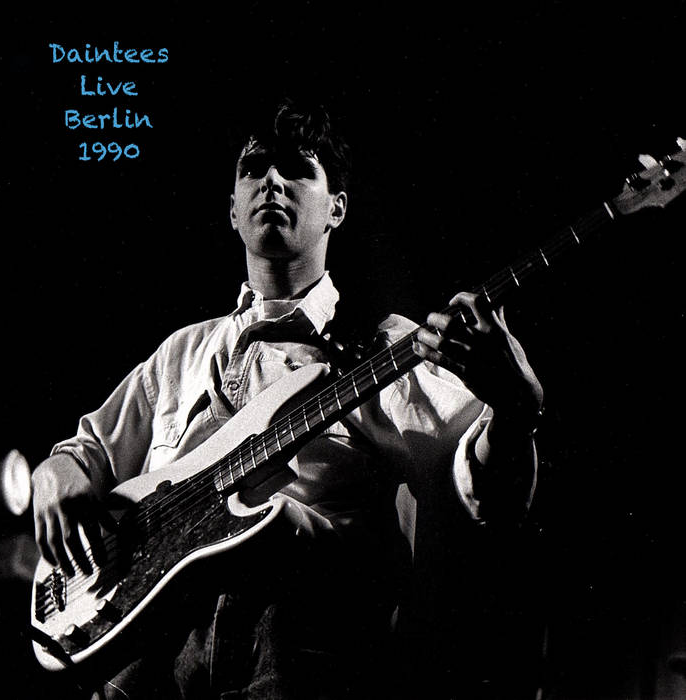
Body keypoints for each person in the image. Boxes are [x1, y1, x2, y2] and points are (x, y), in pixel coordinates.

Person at [31, 99, 544, 699]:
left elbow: (484, 499)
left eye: (298, 169)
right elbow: (87, 452)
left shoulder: (388, 349)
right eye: (254, 168)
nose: (271, 179)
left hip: (301, 643)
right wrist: (57, 472)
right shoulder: (182, 354)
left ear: (337, 209)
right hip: (152, 650)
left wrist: (516, 411)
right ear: (232, 209)